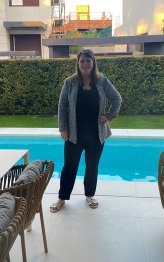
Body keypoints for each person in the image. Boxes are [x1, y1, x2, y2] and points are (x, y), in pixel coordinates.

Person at [50, 49, 122, 212]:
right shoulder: (70, 82)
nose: (85, 64)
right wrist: (63, 128)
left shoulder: (102, 82)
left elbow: (117, 98)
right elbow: (63, 106)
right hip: (74, 134)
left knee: (92, 166)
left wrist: (110, 116)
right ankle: (62, 198)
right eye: (82, 61)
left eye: (88, 61)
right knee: (69, 167)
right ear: (78, 63)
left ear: (93, 62)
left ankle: (90, 195)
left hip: (96, 134)